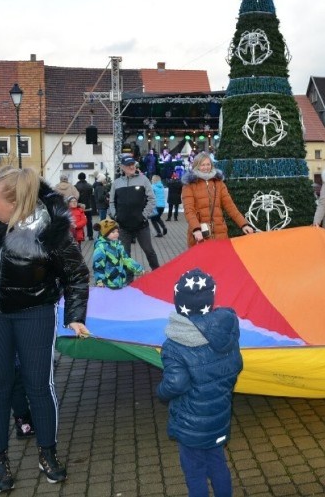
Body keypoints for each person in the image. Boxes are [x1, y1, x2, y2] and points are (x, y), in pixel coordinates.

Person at [0, 167, 90, 492]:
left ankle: (47, 453)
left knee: (39, 386)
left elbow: (76, 275)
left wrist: (75, 314)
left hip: (35, 314)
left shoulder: (51, 230)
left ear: (16, 203)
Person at [157, 268, 243, 497]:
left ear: (179, 304)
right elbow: (236, 367)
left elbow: (175, 383)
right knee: (217, 463)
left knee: (194, 471)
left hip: (190, 424)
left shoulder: (174, 344)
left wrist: (161, 392)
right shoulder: (226, 332)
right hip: (218, 415)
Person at [182, 152, 254, 246]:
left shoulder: (219, 183)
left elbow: (230, 206)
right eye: (202, 165)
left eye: (208, 164)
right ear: (196, 166)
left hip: (220, 232)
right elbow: (189, 210)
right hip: (201, 234)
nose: (206, 167)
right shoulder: (189, 185)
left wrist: (244, 224)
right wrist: (196, 229)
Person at [108, 155, 160, 270]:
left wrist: (144, 216)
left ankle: (158, 272)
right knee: (125, 254)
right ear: (122, 167)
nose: (131, 167)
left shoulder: (143, 179)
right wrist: (116, 216)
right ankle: (128, 280)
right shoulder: (116, 183)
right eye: (128, 165)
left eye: (132, 164)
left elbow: (152, 199)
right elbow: (112, 202)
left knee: (149, 250)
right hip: (123, 226)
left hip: (141, 225)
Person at [92, 218, 144, 289]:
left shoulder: (118, 245)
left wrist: (139, 269)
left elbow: (126, 259)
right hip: (107, 284)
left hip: (121, 281)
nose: (116, 234)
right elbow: (98, 265)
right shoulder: (100, 248)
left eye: (117, 231)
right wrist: (99, 281)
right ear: (105, 233)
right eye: (113, 232)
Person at [75, 172, 95, 241]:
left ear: (78, 178)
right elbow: (91, 196)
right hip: (88, 206)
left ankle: (82, 236)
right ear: (85, 177)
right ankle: (90, 236)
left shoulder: (75, 186)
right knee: (89, 221)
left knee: (80, 221)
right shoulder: (90, 186)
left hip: (79, 207)